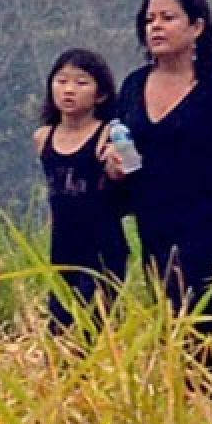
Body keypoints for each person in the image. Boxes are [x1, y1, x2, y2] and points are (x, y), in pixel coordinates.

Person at [105, 0, 212, 382]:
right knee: (177, 323)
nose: (155, 27)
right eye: (149, 20)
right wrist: (113, 166)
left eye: (167, 17)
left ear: (197, 27)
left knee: (193, 305)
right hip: (155, 226)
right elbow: (120, 142)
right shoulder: (132, 86)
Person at [34, 48, 129, 335]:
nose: (69, 90)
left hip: (103, 248)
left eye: (81, 82)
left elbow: (135, 171)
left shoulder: (110, 133)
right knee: (60, 328)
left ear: (100, 94)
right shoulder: (43, 138)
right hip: (62, 246)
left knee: (92, 329)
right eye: (61, 81)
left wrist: (117, 166)